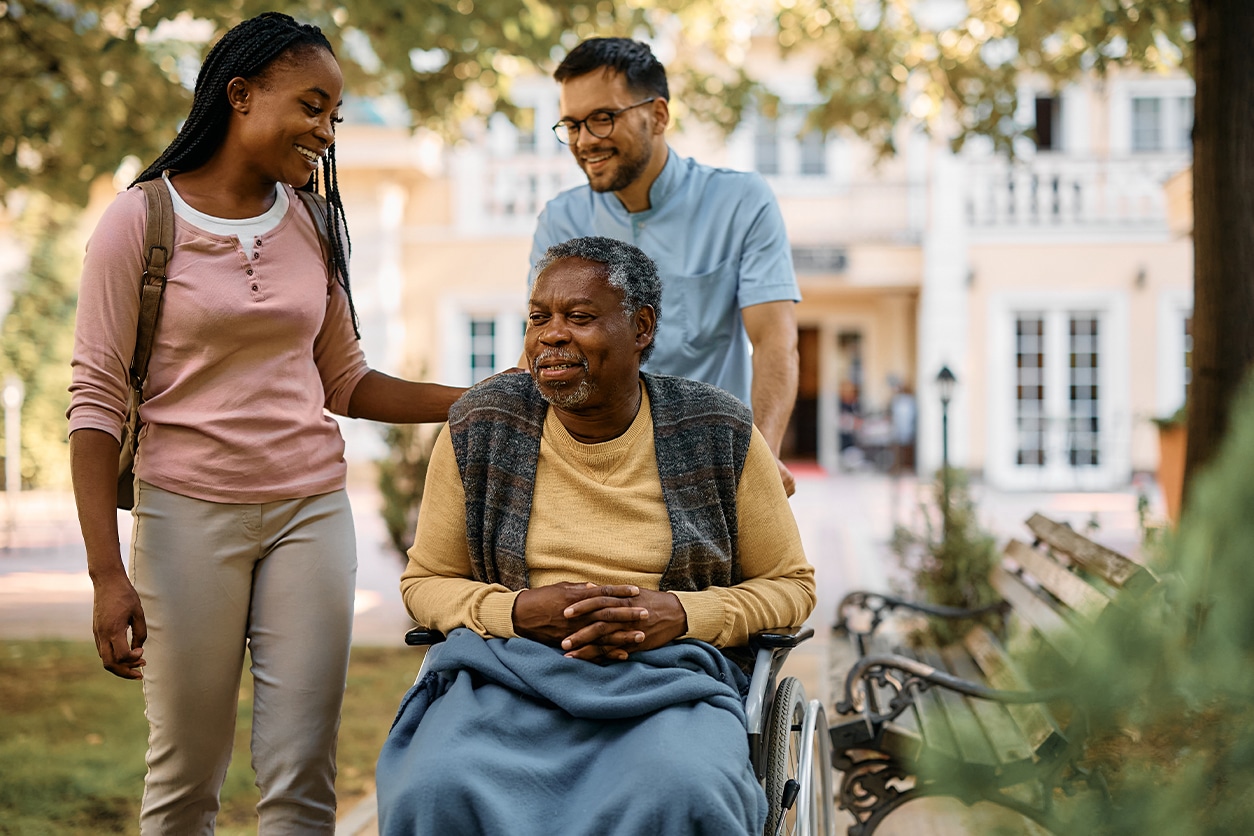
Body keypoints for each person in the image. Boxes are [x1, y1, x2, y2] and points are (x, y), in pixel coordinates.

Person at [66, 13, 463, 834]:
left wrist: (475, 398)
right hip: (185, 519)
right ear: (240, 95)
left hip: (310, 513)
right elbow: (96, 403)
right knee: (184, 779)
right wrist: (107, 574)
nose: (325, 130)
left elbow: (346, 381)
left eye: (334, 116)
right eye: (311, 106)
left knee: (301, 777)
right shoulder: (140, 222)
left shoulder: (313, 225)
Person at [376, 236, 815, 835]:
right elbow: (425, 582)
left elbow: (791, 586)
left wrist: (680, 614)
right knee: (435, 783)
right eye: (539, 318)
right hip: (509, 674)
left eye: (579, 317)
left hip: (671, 681)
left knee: (685, 786)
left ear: (640, 327)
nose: (551, 335)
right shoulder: (481, 425)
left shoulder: (720, 430)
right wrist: (517, 612)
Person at [530, 37, 802, 495]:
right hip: (594, 475)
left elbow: (775, 340)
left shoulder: (741, 202)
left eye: (602, 119)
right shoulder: (561, 219)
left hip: (711, 469)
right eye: (572, 124)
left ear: (657, 115)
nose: (584, 141)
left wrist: (763, 456)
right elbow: (544, 348)